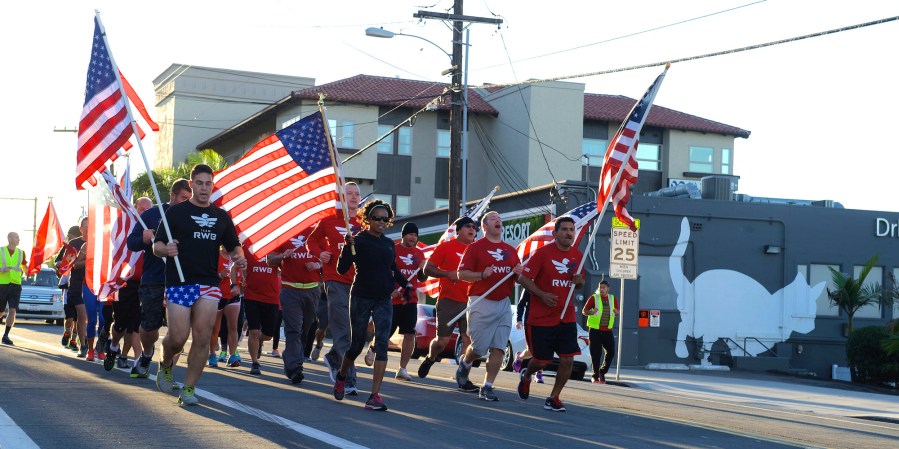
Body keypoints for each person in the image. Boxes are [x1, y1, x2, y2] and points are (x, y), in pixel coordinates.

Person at [153, 164, 245, 406]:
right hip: (180, 282)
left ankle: (189, 388)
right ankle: (165, 363)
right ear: (192, 184)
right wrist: (166, 248)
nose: (204, 188)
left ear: (212, 186)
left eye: (208, 183)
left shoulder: (221, 216)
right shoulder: (175, 213)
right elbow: (157, 246)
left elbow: (233, 245)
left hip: (208, 283)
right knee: (178, 338)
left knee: (203, 338)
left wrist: (239, 255)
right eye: (200, 183)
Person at [332, 200, 412, 411]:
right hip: (361, 296)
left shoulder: (388, 244)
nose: (382, 222)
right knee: (357, 344)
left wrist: (407, 284)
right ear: (367, 220)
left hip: (383, 298)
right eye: (377, 218)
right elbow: (341, 269)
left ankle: (374, 396)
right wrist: (346, 248)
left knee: (383, 342)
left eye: (386, 219)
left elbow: (392, 268)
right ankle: (341, 376)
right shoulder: (357, 240)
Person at [516, 216, 585, 412]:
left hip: (566, 317)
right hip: (541, 318)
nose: (569, 233)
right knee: (542, 360)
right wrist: (541, 294)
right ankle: (526, 375)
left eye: (571, 229)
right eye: (564, 229)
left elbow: (579, 285)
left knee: (567, 359)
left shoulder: (578, 256)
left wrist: (579, 281)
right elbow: (523, 278)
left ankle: (553, 397)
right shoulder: (542, 253)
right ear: (555, 233)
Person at [126, 179, 192, 378]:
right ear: (172, 195)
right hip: (154, 279)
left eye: (189, 199)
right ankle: (147, 354)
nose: (187, 202)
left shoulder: (194, 216)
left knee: (179, 332)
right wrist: (144, 237)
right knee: (149, 327)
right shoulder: (153, 214)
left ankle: (167, 368)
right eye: (183, 198)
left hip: (182, 281)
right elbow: (131, 242)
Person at [456, 211, 523, 401]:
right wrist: (481, 275)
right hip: (480, 301)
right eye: (493, 219)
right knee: (478, 349)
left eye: (500, 219)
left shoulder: (510, 250)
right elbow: (462, 274)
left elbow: (517, 277)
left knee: (499, 348)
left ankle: (487, 386)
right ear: (484, 227)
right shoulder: (475, 248)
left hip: (503, 304)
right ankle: (466, 362)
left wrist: (519, 272)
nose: (498, 221)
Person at [306, 182, 362, 395]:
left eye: (357, 194)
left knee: (355, 329)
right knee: (342, 329)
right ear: (341, 196)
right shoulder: (329, 218)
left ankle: (332, 357)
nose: (354, 197)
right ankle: (348, 379)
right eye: (349, 193)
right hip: (335, 279)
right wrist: (320, 254)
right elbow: (311, 241)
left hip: (359, 283)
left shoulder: (365, 223)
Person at [418, 216, 479, 392]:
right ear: (458, 230)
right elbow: (427, 269)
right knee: (442, 341)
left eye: (474, 227)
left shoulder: (477, 249)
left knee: (467, 338)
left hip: (471, 300)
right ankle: (430, 358)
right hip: (449, 301)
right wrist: (447, 274)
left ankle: (463, 376)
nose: (472, 229)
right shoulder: (446, 246)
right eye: (467, 226)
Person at [104, 197, 152, 371]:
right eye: (141, 209)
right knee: (120, 324)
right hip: (126, 282)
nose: (145, 213)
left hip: (146, 284)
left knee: (137, 326)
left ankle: (136, 361)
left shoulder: (154, 230)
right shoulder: (127, 229)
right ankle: (113, 346)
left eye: (148, 210)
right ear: (135, 210)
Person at [267, 227, 320, 384]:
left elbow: (330, 259)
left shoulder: (317, 232)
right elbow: (270, 260)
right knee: (293, 329)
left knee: (305, 329)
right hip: (290, 290)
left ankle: (294, 359)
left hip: (312, 290)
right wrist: (283, 256)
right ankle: (294, 367)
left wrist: (317, 265)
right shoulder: (284, 232)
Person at [391, 222, 427, 381]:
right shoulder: (393, 249)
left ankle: (402, 368)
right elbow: (386, 270)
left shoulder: (419, 254)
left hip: (410, 299)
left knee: (409, 334)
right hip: (393, 298)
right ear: (403, 235)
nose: (413, 237)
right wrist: (390, 289)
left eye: (415, 235)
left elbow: (422, 278)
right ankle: (373, 348)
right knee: (386, 331)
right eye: (410, 234)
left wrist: (424, 268)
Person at [241, 244, 281, 376]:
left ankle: (259, 341)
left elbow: (283, 266)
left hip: (271, 298)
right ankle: (254, 363)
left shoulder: (276, 247)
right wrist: (240, 279)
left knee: (268, 335)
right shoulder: (246, 248)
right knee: (254, 331)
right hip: (252, 296)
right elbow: (238, 265)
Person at [208, 250, 241, 367]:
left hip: (232, 296)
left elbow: (243, 274)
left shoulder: (238, 257)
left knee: (233, 327)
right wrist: (219, 275)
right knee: (215, 328)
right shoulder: (215, 256)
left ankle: (232, 356)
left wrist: (241, 283)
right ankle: (212, 355)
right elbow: (206, 276)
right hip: (217, 295)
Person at [582, 280, 618, 385]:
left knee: (611, 352)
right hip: (595, 330)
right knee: (596, 354)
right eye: (600, 287)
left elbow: (617, 312)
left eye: (604, 287)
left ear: (608, 289)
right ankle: (595, 376)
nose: (601, 289)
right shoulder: (594, 298)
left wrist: (617, 312)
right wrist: (591, 312)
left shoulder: (612, 298)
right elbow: (584, 311)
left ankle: (602, 372)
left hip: (607, 330)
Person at [56, 225, 82, 351]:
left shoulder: (88, 245)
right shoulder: (69, 246)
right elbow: (57, 261)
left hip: (82, 286)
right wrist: (59, 264)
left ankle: (74, 340)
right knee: (70, 316)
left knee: (79, 317)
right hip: (68, 286)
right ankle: (67, 332)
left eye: (70, 234)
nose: (68, 236)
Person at [0, 232, 28, 345]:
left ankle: (6, 336)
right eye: (16, 237)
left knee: (13, 310)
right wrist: (1, 269)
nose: (18, 239)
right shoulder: (1, 251)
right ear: (9, 238)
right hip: (2, 284)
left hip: (16, 285)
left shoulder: (21, 253)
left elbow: (25, 267)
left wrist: (31, 270)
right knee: (1, 311)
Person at [68, 218, 90, 357]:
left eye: (91, 226)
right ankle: (83, 346)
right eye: (86, 226)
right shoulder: (74, 243)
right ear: (81, 228)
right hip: (77, 284)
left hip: (94, 284)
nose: (89, 229)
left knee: (93, 318)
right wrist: (88, 260)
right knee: (83, 316)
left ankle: (99, 345)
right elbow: (72, 264)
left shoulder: (98, 242)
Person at [512, 291, 544, 384]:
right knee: (531, 350)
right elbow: (521, 304)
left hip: (546, 322)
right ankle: (520, 357)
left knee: (542, 349)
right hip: (530, 322)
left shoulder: (550, 285)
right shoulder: (529, 287)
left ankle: (539, 374)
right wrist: (519, 320)